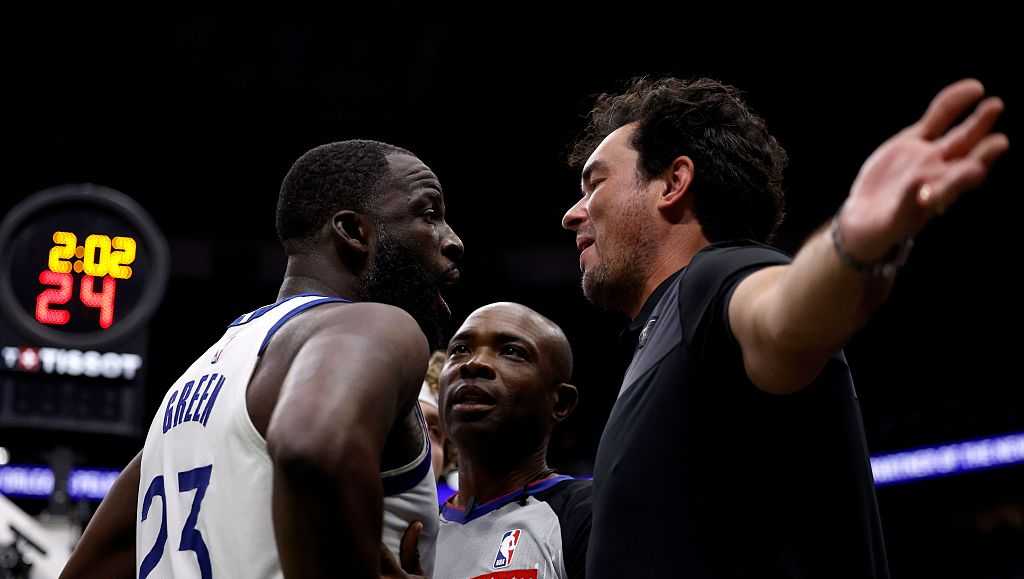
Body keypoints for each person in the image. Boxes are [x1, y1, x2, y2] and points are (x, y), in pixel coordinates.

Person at [561, 77, 1008, 578]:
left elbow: (783, 317)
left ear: (673, 183)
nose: (570, 214)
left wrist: (851, 244)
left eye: (594, 183)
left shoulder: (714, 279)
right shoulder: (664, 334)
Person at [60, 139, 465, 579]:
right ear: (353, 232)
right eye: (429, 214)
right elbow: (311, 448)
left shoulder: (197, 379)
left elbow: (87, 569)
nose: (454, 241)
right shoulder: (377, 325)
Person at [435, 302, 592, 579]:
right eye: (460, 350)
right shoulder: (412, 535)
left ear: (560, 402)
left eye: (511, 352)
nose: (474, 363)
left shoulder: (592, 515)